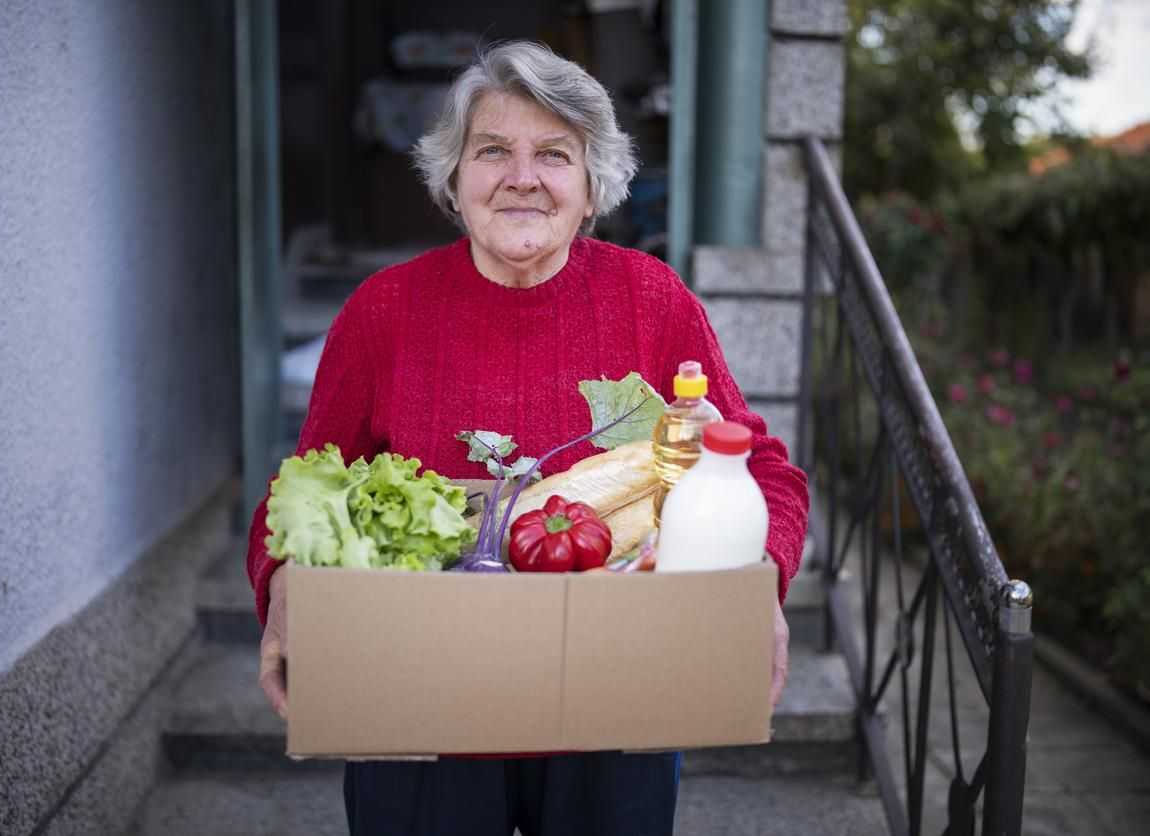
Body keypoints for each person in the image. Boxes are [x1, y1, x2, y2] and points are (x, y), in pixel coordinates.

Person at [246, 40, 809, 836]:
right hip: (417, 703)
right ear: (454, 179)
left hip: (616, 699)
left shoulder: (651, 299)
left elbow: (765, 474)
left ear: (591, 188)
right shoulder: (382, 312)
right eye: (493, 151)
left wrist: (761, 583)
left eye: (554, 154)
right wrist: (283, 586)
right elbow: (301, 492)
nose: (522, 176)